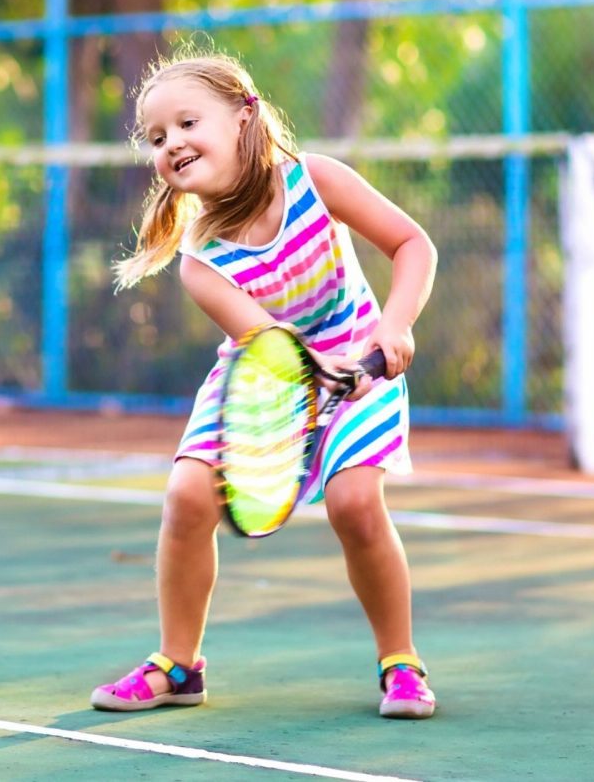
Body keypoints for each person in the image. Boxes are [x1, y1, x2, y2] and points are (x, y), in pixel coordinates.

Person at [90, 50, 439, 719]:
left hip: (361, 356)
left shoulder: (316, 180)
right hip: (267, 375)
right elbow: (269, 345)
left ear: (244, 116)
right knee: (188, 496)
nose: (172, 144)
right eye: (157, 139)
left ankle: (401, 662)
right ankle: (178, 664)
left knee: (356, 505)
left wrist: (393, 328)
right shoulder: (199, 260)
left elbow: (412, 245)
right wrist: (317, 374)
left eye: (188, 122)